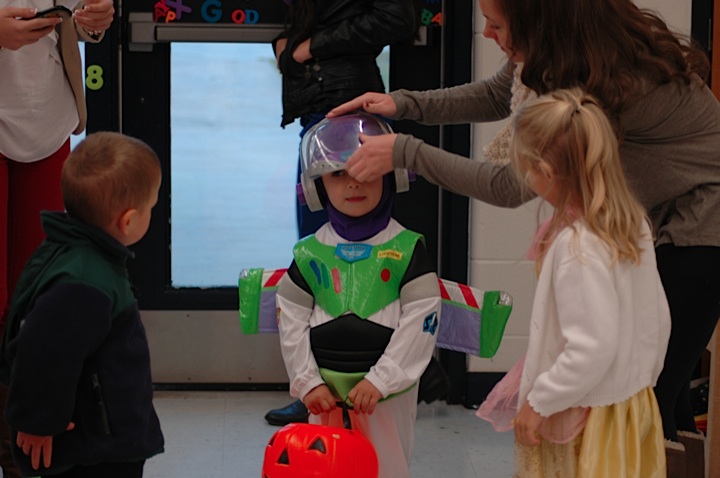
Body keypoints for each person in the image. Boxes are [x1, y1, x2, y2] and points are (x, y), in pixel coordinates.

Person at [328, 0, 720, 476]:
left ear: (539, 22)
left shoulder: (601, 87)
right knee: (657, 399)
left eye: (496, 24)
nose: (488, 34)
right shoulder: (553, 55)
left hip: (702, 223)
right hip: (658, 219)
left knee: (651, 400)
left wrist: (406, 151)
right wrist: (404, 105)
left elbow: (510, 185)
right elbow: (498, 95)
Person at [266, 0, 450, 426]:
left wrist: (307, 49)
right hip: (317, 107)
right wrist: (284, 43)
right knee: (322, 255)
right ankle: (319, 381)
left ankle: (384, 374)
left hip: (348, 105)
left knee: (367, 249)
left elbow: (396, 17)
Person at [477, 87, 671, 476]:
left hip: (588, 419)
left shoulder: (578, 246)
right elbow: (658, 321)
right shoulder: (632, 225)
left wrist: (539, 402)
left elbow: (591, 348)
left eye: (526, 170)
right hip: (630, 407)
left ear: (545, 173)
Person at [276, 113, 441, 478]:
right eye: (338, 173)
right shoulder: (309, 254)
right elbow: (290, 323)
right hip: (323, 395)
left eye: (365, 170)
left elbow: (421, 324)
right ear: (317, 185)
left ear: (392, 175)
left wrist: (382, 380)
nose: (353, 183)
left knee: (385, 467)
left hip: (386, 399)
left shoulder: (407, 249)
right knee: (323, 467)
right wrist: (307, 381)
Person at [0, 132, 165, 477]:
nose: (152, 212)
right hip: (93, 447)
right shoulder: (85, 283)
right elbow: (41, 350)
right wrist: (37, 423)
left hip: (98, 432)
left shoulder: (75, 251)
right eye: (151, 206)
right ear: (128, 220)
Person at [0, 1, 114, 476]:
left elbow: (89, 20)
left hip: (46, 120)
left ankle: (23, 443)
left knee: (38, 301)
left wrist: (95, 23)